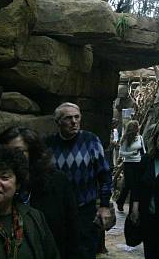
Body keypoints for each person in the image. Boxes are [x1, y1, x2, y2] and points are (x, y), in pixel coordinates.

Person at [0, 127, 79, 259]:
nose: (11, 158)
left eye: (18, 152)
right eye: (7, 151)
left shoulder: (57, 182)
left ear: (32, 153)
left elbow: (72, 233)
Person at [45, 102, 112, 259]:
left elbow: (105, 175)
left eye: (77, 117)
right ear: (58, 122)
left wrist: (104, 205)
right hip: (57, 212)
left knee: (85, 252)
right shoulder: (48, 145)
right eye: (68, 118)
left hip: (85, 211)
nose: (74, 122)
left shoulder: (90, 140)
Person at [129, 126, 159, 259]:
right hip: (147, 214)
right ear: (155, 142)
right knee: (149, 250)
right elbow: (137, 185)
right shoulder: (147, 160)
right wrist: (135, 207)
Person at [116, 120, 145, 212]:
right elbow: (121, 153)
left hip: (138, 163)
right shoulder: (126, 139)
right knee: (129, 185)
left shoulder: (140, 138)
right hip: (128, 164)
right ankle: (121, 201)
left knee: (136, 185)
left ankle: (132, 208)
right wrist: (132, 153)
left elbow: (143, 150)